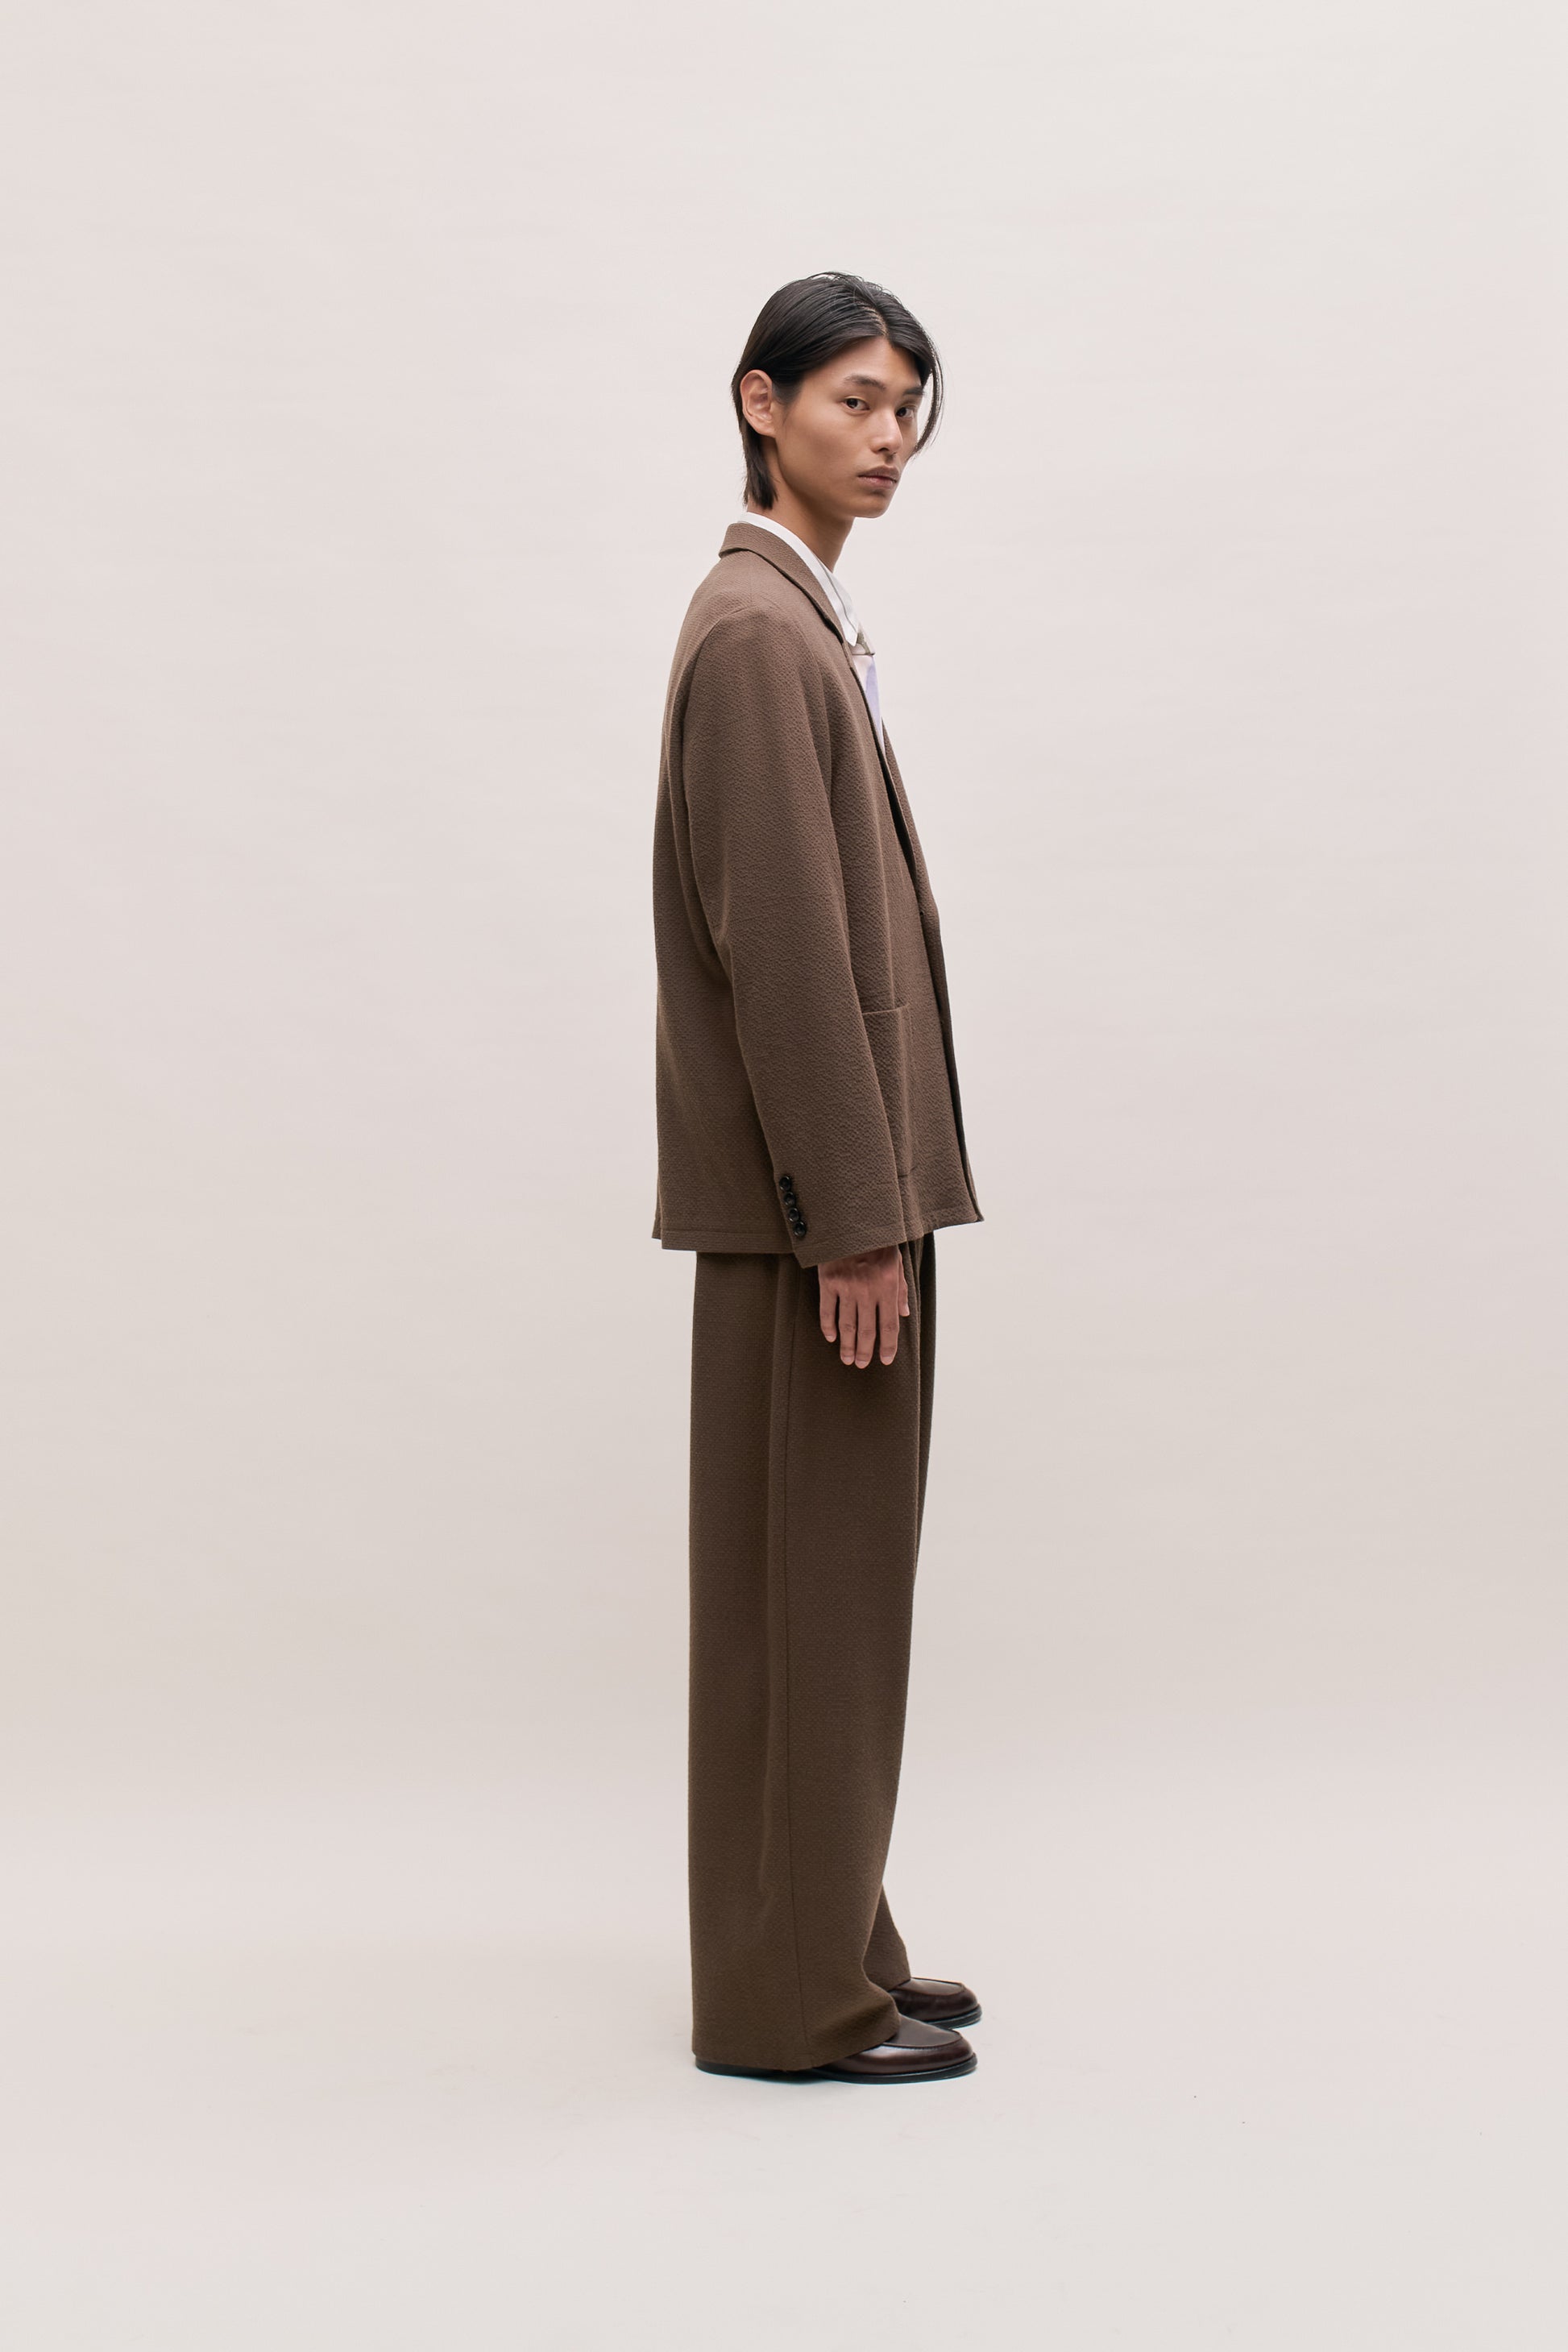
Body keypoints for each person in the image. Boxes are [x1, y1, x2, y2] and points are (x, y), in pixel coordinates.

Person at [650, 272, 985, 2084]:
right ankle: (789, 2001)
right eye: (856, 397)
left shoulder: (795, 620)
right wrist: (851, 1220)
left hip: (844, 1208)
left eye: (907, 405)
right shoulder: (757, 634)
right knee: (807, 1597)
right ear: (759, 401)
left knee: (833, 1593)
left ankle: (833, 1937)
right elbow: (777, 953)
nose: (890, 436)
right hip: (820, 1226)